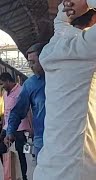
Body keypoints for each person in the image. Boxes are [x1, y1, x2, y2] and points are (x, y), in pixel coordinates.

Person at [33, 1, 96, 180]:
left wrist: (71, 7)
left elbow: (60, 22)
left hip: (48, 168)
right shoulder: (86, 46)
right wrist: (89, 2)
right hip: (78, 170)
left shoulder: (56, 45)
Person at [4, 43, 46, 160]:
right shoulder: (30, 85)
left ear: (44, 59)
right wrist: (10, 131)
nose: (30, 66)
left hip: (64, 138)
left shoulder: (61, 78)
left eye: (33, 62)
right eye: (29, 62)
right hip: (42, 140)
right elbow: (18, 111)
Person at [0, 72, 31, 180]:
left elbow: (28, 110)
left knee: (20, 152)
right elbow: (6, 111)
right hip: (7, 127)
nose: (2, 87)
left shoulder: (21, 91)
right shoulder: (5, 94)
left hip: (20, 127)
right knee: (1, 149)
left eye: (2, 84)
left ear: (8, 81)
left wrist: (31, 128)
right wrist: (3, 125)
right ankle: (9, 172)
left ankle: (23, 176)